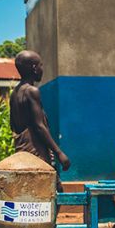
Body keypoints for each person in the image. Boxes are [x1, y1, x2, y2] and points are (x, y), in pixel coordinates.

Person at [10, 50, 71, 183]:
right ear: (34, 68)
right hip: (36, 152)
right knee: (51, 191)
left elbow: (13, 125)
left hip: (21, 151)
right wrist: (59, 153)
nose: (42, 69)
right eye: (41, 65)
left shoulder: (14, 93)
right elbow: (39, 126)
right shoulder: (31, 91)